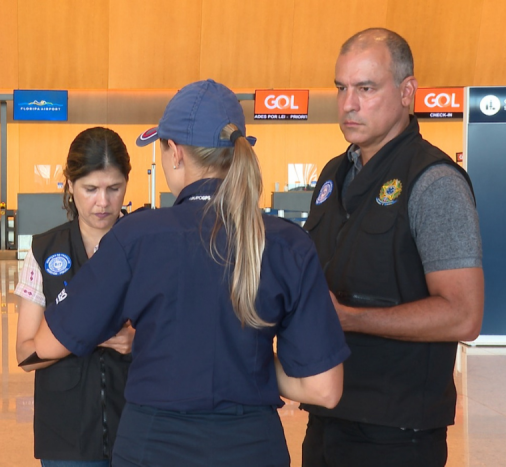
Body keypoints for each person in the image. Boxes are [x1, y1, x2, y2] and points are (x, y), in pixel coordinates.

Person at [33, 79, 349, 466]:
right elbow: (324, 388)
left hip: (154, 447)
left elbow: (47, 344)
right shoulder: (287, 243)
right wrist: (245, 359)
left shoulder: (137, 237)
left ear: (176, 153)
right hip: (252, 447)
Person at [300, 28, 484, 467]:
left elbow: (464, 315)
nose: (348, 104)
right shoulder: (331, 176)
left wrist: (348, 318)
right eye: (341, 88)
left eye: (366, 88)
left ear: (407, 92)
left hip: (396, 435)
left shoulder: (435, 183)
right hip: (326, 418)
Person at [15, 127, 135, 466]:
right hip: (64, 433)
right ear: (69, 184)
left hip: (137, 425)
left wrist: (136, 341)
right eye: (90, 189)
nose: (103, 202)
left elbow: (179, 341)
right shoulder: (44, 249)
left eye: (114, 188)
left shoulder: (147, 243)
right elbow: (26, 353)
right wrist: (86, 335)